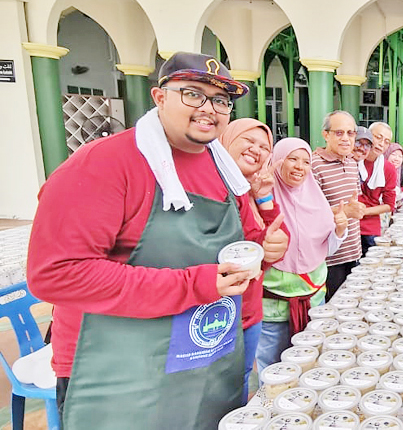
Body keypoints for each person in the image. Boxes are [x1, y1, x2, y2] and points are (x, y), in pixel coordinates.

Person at [26, 52, 290, 429]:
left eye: (221, 100)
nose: (209, 109)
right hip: (121, 367)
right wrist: (195, 283)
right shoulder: (104, 164)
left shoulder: (223, 168)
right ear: (159, 96)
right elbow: (57, 274)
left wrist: (265, 251)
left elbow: (245, 244)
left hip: (206, 356)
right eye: (193, 94)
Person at [256, 138, 347, 374]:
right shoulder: (262, 199)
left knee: (310, 362)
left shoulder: (317, 200)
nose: (300, 167)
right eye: (292, 159)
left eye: (306, 162)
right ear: (278, 161)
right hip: (274, 306)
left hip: (313, 300)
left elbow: (326, 250)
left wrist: (339, 230)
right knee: (272, 366)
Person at [219, 118, 275, 402]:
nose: (257, 150)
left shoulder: (249, 192)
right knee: (213, 390)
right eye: (249, 141)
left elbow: (273, 244)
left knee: (238, 383)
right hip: (211, 313)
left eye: (264, 147)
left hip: (249, 310)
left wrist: (264, 199)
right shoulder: (212, 189)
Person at [311, 110, 366, 301]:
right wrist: (341, 211)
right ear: (326, 134)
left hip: (353, 251)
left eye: (350, 133)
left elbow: (354, 203)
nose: (346, 138)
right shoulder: (313, 165)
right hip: (328, 259)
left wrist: (357, 210)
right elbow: (307, 213)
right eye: (339, 132)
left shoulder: (352, 163)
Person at [357, 123, 397, 254]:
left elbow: (389, 205)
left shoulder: (388, 169)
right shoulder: (351, 160)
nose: (381, 144)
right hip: (347, 224)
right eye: (378, 137)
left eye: (386, 142)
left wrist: (364, 212)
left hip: (369, 228)